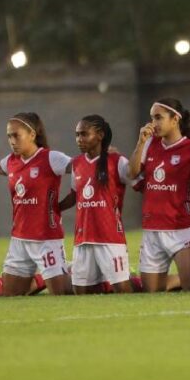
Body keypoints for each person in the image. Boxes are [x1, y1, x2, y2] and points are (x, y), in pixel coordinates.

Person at [0, 112, 73, 296]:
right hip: (19, 240)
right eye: (9, 136)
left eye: (16, 135)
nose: (12, 141)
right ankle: (43, 278)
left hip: (46, 239)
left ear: (32, 134)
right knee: (11, 294)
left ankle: (86, 274)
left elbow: (78, 166)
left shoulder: (51, 158)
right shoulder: (12, 161)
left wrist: (103, 157)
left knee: (61, 292)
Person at [128, 98, 190, 292]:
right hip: (153, 228)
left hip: (181, 228)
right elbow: (132, 173)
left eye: (158, 117)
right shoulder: (150, 143)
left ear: (175, 119)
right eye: (152, 118)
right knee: (151, 291)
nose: (153, 123)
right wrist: (140, 142)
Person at [58, 115, 135, 295]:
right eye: (77, 135)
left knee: (122, 289)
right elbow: (74, 195)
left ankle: (138, 284)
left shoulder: (117, 161)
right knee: (80, 290)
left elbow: (136, 178)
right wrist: (55, 207)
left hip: (110, 238)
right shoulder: (77, 163)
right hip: (83, 238)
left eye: (84, 134)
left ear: (99, 135)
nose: (79, 139)